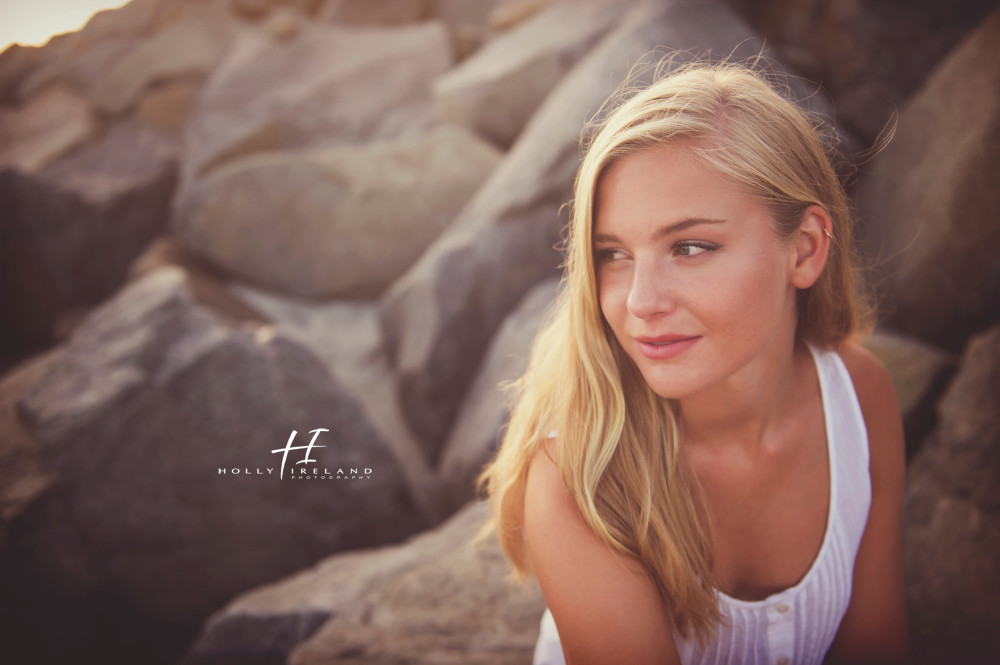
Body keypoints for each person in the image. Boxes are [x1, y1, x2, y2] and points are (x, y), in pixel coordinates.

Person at [476, 60, 910, 665]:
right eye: (614, 254)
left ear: (805, 249)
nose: (640, 302)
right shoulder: (585, 481)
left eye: (691, 247)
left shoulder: (859, 398)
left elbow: (877, 648)